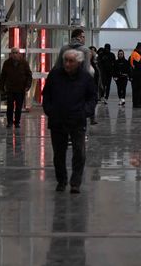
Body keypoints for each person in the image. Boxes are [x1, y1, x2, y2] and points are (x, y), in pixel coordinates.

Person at [42, 49, 98, 193]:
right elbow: (46, 94)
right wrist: (50, 110)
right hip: (57, 120)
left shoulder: (86, 78)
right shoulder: (55, 75)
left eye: (71, 61)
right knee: (59, 154)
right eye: (65, 60)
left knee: (79, 152)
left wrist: (85, 112)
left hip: (77, 120)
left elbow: (92, 97)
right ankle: (61, 180)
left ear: (78, 62)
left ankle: (75, 182)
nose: (67, 64)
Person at [0, 48, 33, 128]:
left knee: (18, 107)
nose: (14, 54)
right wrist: (2, 87)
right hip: (10, 89)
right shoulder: (7, 63)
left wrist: (27, 86)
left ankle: (17, 122)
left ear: (19, 54)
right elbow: (3, 76)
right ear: (11, 54)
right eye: (13, 53)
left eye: (16, 53)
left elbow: (29, 75)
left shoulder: (24, 63)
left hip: (20, 89)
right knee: (10, 106)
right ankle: (10, 122)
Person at [129, 42, 141, 108]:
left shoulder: (135, 54)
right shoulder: (136, 54)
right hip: (137, 75)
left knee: (137, 90)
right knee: (138, 90)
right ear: (139, 48)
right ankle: (137, 104)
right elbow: (139, 65)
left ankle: (137, 103)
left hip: (136, 75)